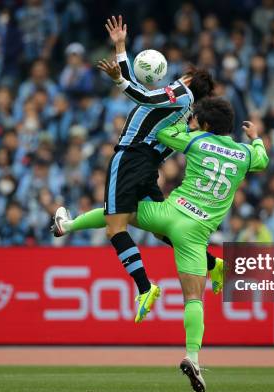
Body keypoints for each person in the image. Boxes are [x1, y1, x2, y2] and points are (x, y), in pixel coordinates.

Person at [53, 97, 269, 392]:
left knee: (119, 213)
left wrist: (182, 120)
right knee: (194, 299)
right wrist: (255, 139)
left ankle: (68, 225)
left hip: (168, 214)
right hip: (195, 233)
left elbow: (162, 133)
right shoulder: (245, 154)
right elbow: (263, 160)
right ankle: (192, 356)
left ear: (205, 124)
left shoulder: (196, 141)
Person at [53, 15, 216, 324]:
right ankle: (212, 264)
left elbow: (141, 93)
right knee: (161, 227)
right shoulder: (180, 104)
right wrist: (121, 49)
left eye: (183, 75)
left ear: (191, 80)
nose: (177, 77)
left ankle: (144, 287)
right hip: (146, 164)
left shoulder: (180, 94)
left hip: (130, 158)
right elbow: (143, 87)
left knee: (115, 227)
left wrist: (117, 78)